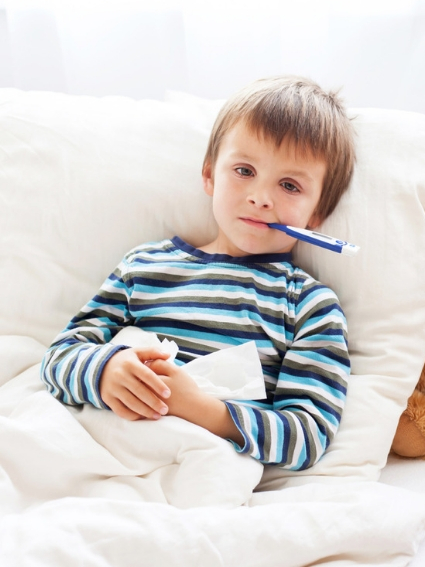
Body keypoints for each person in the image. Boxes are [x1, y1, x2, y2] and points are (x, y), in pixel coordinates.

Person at [40, 76, 356, 470]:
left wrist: (201, 409)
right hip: (100, 454)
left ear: (316, 215)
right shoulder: (144, 267)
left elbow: (306, 436)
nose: (260, 197)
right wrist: (104, 370)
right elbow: (58, 357)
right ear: (209, 175)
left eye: (289, 185)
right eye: (244, 170)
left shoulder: (309, 307)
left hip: (202, 473)